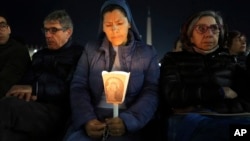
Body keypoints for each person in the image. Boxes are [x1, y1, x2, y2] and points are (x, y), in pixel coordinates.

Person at [63, 0, 160, 141]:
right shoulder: (91, 50)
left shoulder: (147, 53)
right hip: (95, 118)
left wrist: (128, 121)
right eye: (108, 24)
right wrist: (87, 119)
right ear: (102, 27)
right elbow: (79, 86)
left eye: (119, 23)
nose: (114, 29)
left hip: (130, 123)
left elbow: (151, 91)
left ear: (130, 24)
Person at [160, 10, 250, 141]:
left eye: (214, 28)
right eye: (202, 29)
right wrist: (220, 93)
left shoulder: (230, 62)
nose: (209, 34)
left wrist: (227, 108)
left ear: (221, 33)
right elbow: (173, 94)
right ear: (190, 35)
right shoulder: (173, 60)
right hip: (190, 121)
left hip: (229, 118)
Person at [0, 10, 84, 141]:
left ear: (68, 32)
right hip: (32, 107)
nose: (48, 35)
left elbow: (72, 88)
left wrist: (36, 90)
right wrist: (22, 90)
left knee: (7, 107)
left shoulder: (79, 55)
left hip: (58, 111)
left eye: (54, 30)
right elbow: (25, 81)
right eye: (45, 30)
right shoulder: (40, 55)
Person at [0, 15, 31, 98]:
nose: (0, 30)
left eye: (2, 26)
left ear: (9, 29)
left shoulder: (18, 51)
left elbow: (5, 84)